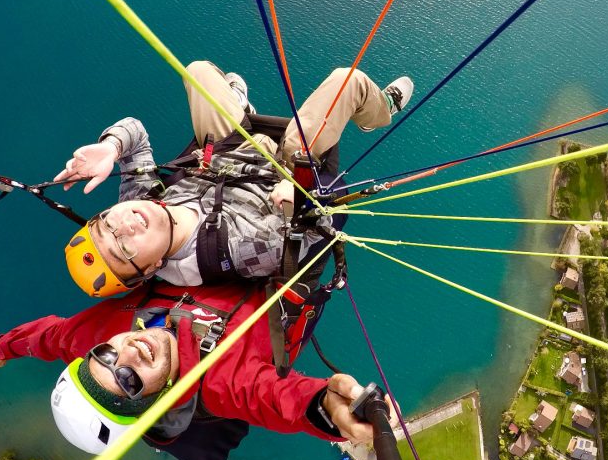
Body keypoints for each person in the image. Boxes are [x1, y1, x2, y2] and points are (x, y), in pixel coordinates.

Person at [56, 61, 413, 296]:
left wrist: (111, 148)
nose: (124, 226)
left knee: (197, 70)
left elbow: (135, 133)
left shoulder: (140, 205)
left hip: (226, 148)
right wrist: (303, 197)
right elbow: (323, 222)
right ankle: (380, 111)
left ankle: (238, 105)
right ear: (152, 269)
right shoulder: (239, 249)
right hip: (287, 165)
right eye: (122, 248)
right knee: (346, 81)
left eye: (104, 224)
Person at [0, 280, 397, 460]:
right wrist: (331, 409)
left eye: (104, 358)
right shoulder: (216, 383)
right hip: (282, 269)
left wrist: (3, 350)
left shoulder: (95, 336)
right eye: (128, 382)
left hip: (222, 233)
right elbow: (273, 399)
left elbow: (48, 337)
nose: (126, 356)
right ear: (150, 402)